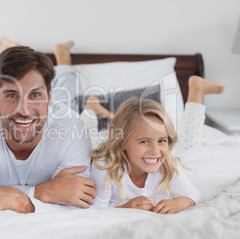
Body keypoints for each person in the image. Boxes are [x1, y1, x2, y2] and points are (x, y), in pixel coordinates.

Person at [0, 39, 95, 213]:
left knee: (67, 101)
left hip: (59, 116)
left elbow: (76, 202)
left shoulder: (73, 128)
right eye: (12, 95)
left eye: (35, 94)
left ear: (49, 96)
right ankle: (11, 52)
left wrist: (4, 197)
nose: (24, 110)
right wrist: (41, 193)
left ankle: (63, 57)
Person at [89, 78, 224, 213]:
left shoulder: (166, 165)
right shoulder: (105, 167)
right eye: (144, 141)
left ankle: (196, 92)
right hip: (102, 140)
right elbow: (96, 211)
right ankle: (93, 109)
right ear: (122, 143)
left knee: (189, 148)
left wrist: (181, 201)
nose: (155, 151)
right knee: (89, 126)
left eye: (162, 141)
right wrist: (123, 208)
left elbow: (196, 196)